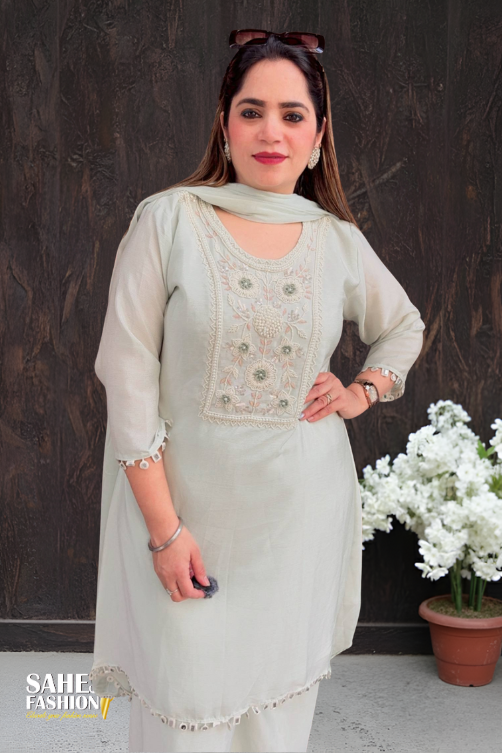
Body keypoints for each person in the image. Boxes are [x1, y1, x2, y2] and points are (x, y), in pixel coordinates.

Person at [88, 29, 426, 753]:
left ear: (319, 135)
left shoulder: (334, 240)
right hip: (184, 522)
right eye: (252, 111)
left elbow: (403, 326)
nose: (272, 132)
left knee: (274, 726)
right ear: (224, 122)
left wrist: (363, 390)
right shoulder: (170, 220)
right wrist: (165, 532)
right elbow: (126, 373)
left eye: (293, 115)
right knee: (182, 721)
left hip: (297, 524)